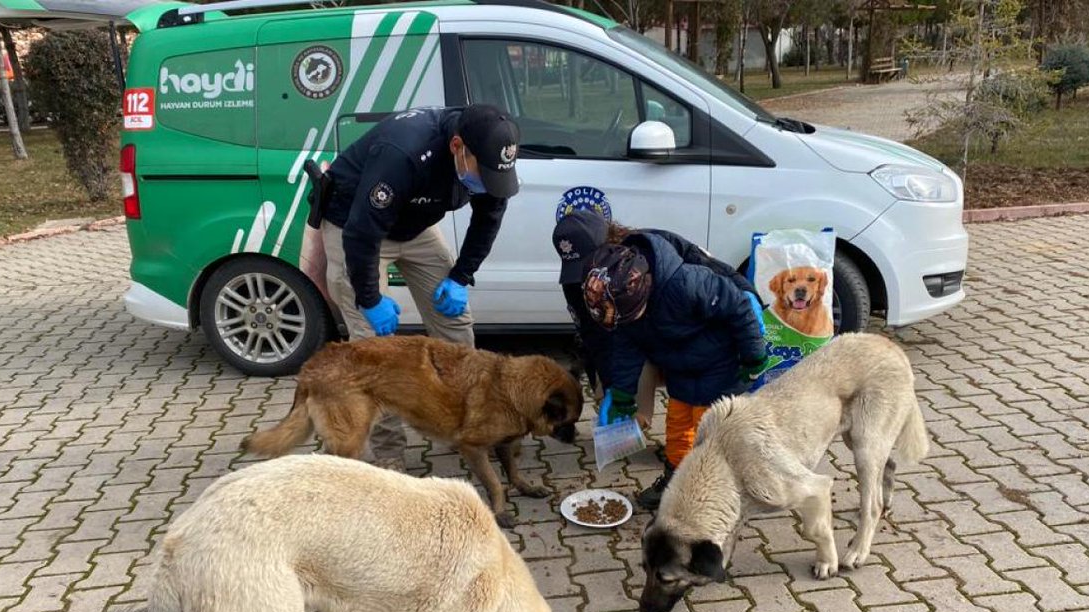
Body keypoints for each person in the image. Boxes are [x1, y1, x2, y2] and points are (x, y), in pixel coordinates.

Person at [316, 104, 521, 471]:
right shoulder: (405, 152)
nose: (488, 184)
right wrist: (370, 299)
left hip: (415, 227)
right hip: (356, 227)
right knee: (374, 351)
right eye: (483, 174)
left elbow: (488, 218)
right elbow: (362, 232)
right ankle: (389, 454)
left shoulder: (490, 160)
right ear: (458, 146)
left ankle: (467, 429)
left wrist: (460, 276)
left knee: (456, 326)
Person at [551, 209, 764, 508]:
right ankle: (675, 477)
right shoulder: (608, 298)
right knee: (678, 427)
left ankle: (710, 491)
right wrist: (620, 392)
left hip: (718, 366)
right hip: (678, 366)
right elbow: (616, 346)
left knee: (709, 432)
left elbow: (732, 300)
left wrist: (753, 350)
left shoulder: (682, 279)